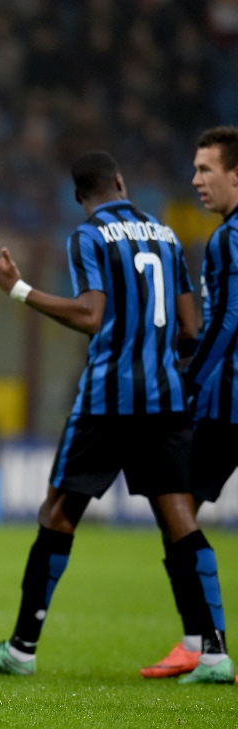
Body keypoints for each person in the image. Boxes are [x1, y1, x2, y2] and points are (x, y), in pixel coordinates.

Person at [0, 150, 234, 684]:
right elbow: (190, 327)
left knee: (58, 511)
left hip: (109, 398)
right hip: (166, 399)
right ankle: (214, 652)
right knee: (180, 516)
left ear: (79, 196)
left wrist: (19, 290)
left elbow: (91, 314)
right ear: (121, 181)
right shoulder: (166, 235)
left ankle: (21, 649)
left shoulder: (89, 235)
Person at [140, 126, 238, 680]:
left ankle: (206, 646)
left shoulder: (227, 239)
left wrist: (189, 381)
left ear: (236, 175)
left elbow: (228, 319)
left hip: (225, 405)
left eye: (206, 169)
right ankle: (201, 644)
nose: (196, 180)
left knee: (176, 512)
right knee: (179, 513)